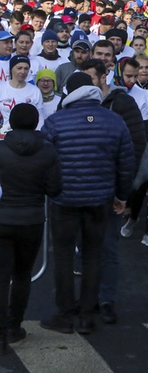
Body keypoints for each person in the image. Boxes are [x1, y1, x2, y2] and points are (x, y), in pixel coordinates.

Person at [40, 71, 134, 334]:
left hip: (64, 199)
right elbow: (126, 163)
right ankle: (86, 316)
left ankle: (64, 314)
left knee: (63, 256)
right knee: (94, 255)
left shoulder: (56, 121)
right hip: (100, 199)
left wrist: (49, 190)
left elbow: (45, 161)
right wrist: (121, 196)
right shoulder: (114, 121)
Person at [0, 103, 62, 352]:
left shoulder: (1, 149)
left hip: (2, 218)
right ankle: (14, 327)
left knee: (1, 277)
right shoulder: (47, 151)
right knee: (22, 275)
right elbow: (55, 189)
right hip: (32, 219)